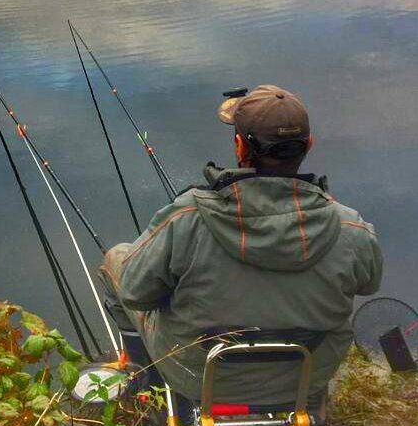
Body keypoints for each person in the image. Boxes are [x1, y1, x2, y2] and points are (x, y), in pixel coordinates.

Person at [99, 84, 383, 409]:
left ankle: (143, 388)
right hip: (306, 375)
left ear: (238, 146)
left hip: (196, 375)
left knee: (115, 262)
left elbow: (137, 293)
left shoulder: (186, 218)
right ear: (308, 145)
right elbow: (369, 283)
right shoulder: (352, 228)